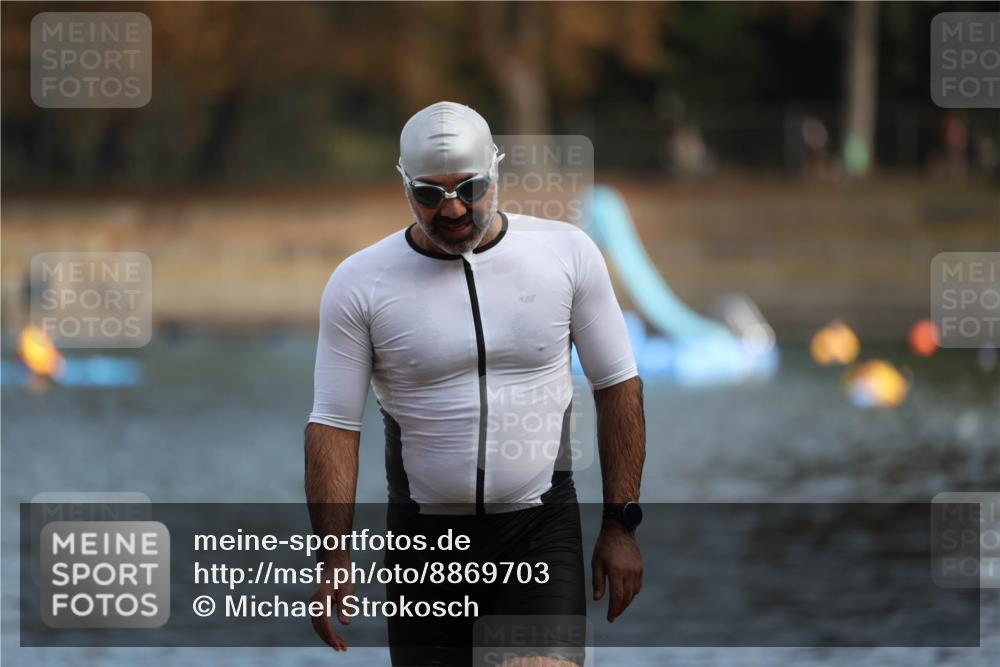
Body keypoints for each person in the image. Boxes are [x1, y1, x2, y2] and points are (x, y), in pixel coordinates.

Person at [305, 101, 646, 666]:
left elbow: (618, 387)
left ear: (497, 171)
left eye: (470, 186)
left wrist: (621, 523)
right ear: (404, 186)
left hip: (537, 531)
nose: (454, 207)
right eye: (430, 195)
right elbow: (334, 427)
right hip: (423, 547)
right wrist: (332, 559)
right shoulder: (359, 282)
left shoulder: (566, 255)